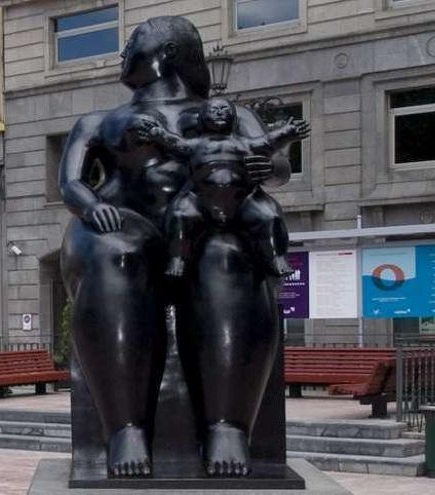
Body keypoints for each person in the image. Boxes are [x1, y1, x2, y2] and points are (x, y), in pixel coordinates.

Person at [59, 16, 286, 477]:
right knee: (115, 254)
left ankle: (227, 425)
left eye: (131, 45)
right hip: (124, 223)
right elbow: (70, 183)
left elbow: (276, 163)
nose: (122, 55)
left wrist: (263, 166)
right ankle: (125, 427)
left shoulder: (233, 116)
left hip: (208, 225)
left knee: (227, 256)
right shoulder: (99, 122)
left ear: (165, 54)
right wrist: (89, 207)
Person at [134, 97, 309, 278]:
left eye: (224, 110)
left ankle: (275, 256)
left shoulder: (245, 143)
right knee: (179, 216)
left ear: (233, 118)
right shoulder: (195, 145)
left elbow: (269, 141)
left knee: (270, 216)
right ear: (202, 119)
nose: (219, 113)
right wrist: (157, 134)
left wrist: (288, 132)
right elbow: (175, 143)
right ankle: (178, 258)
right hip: (200, 200)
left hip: (243, 200)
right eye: (214, 110)